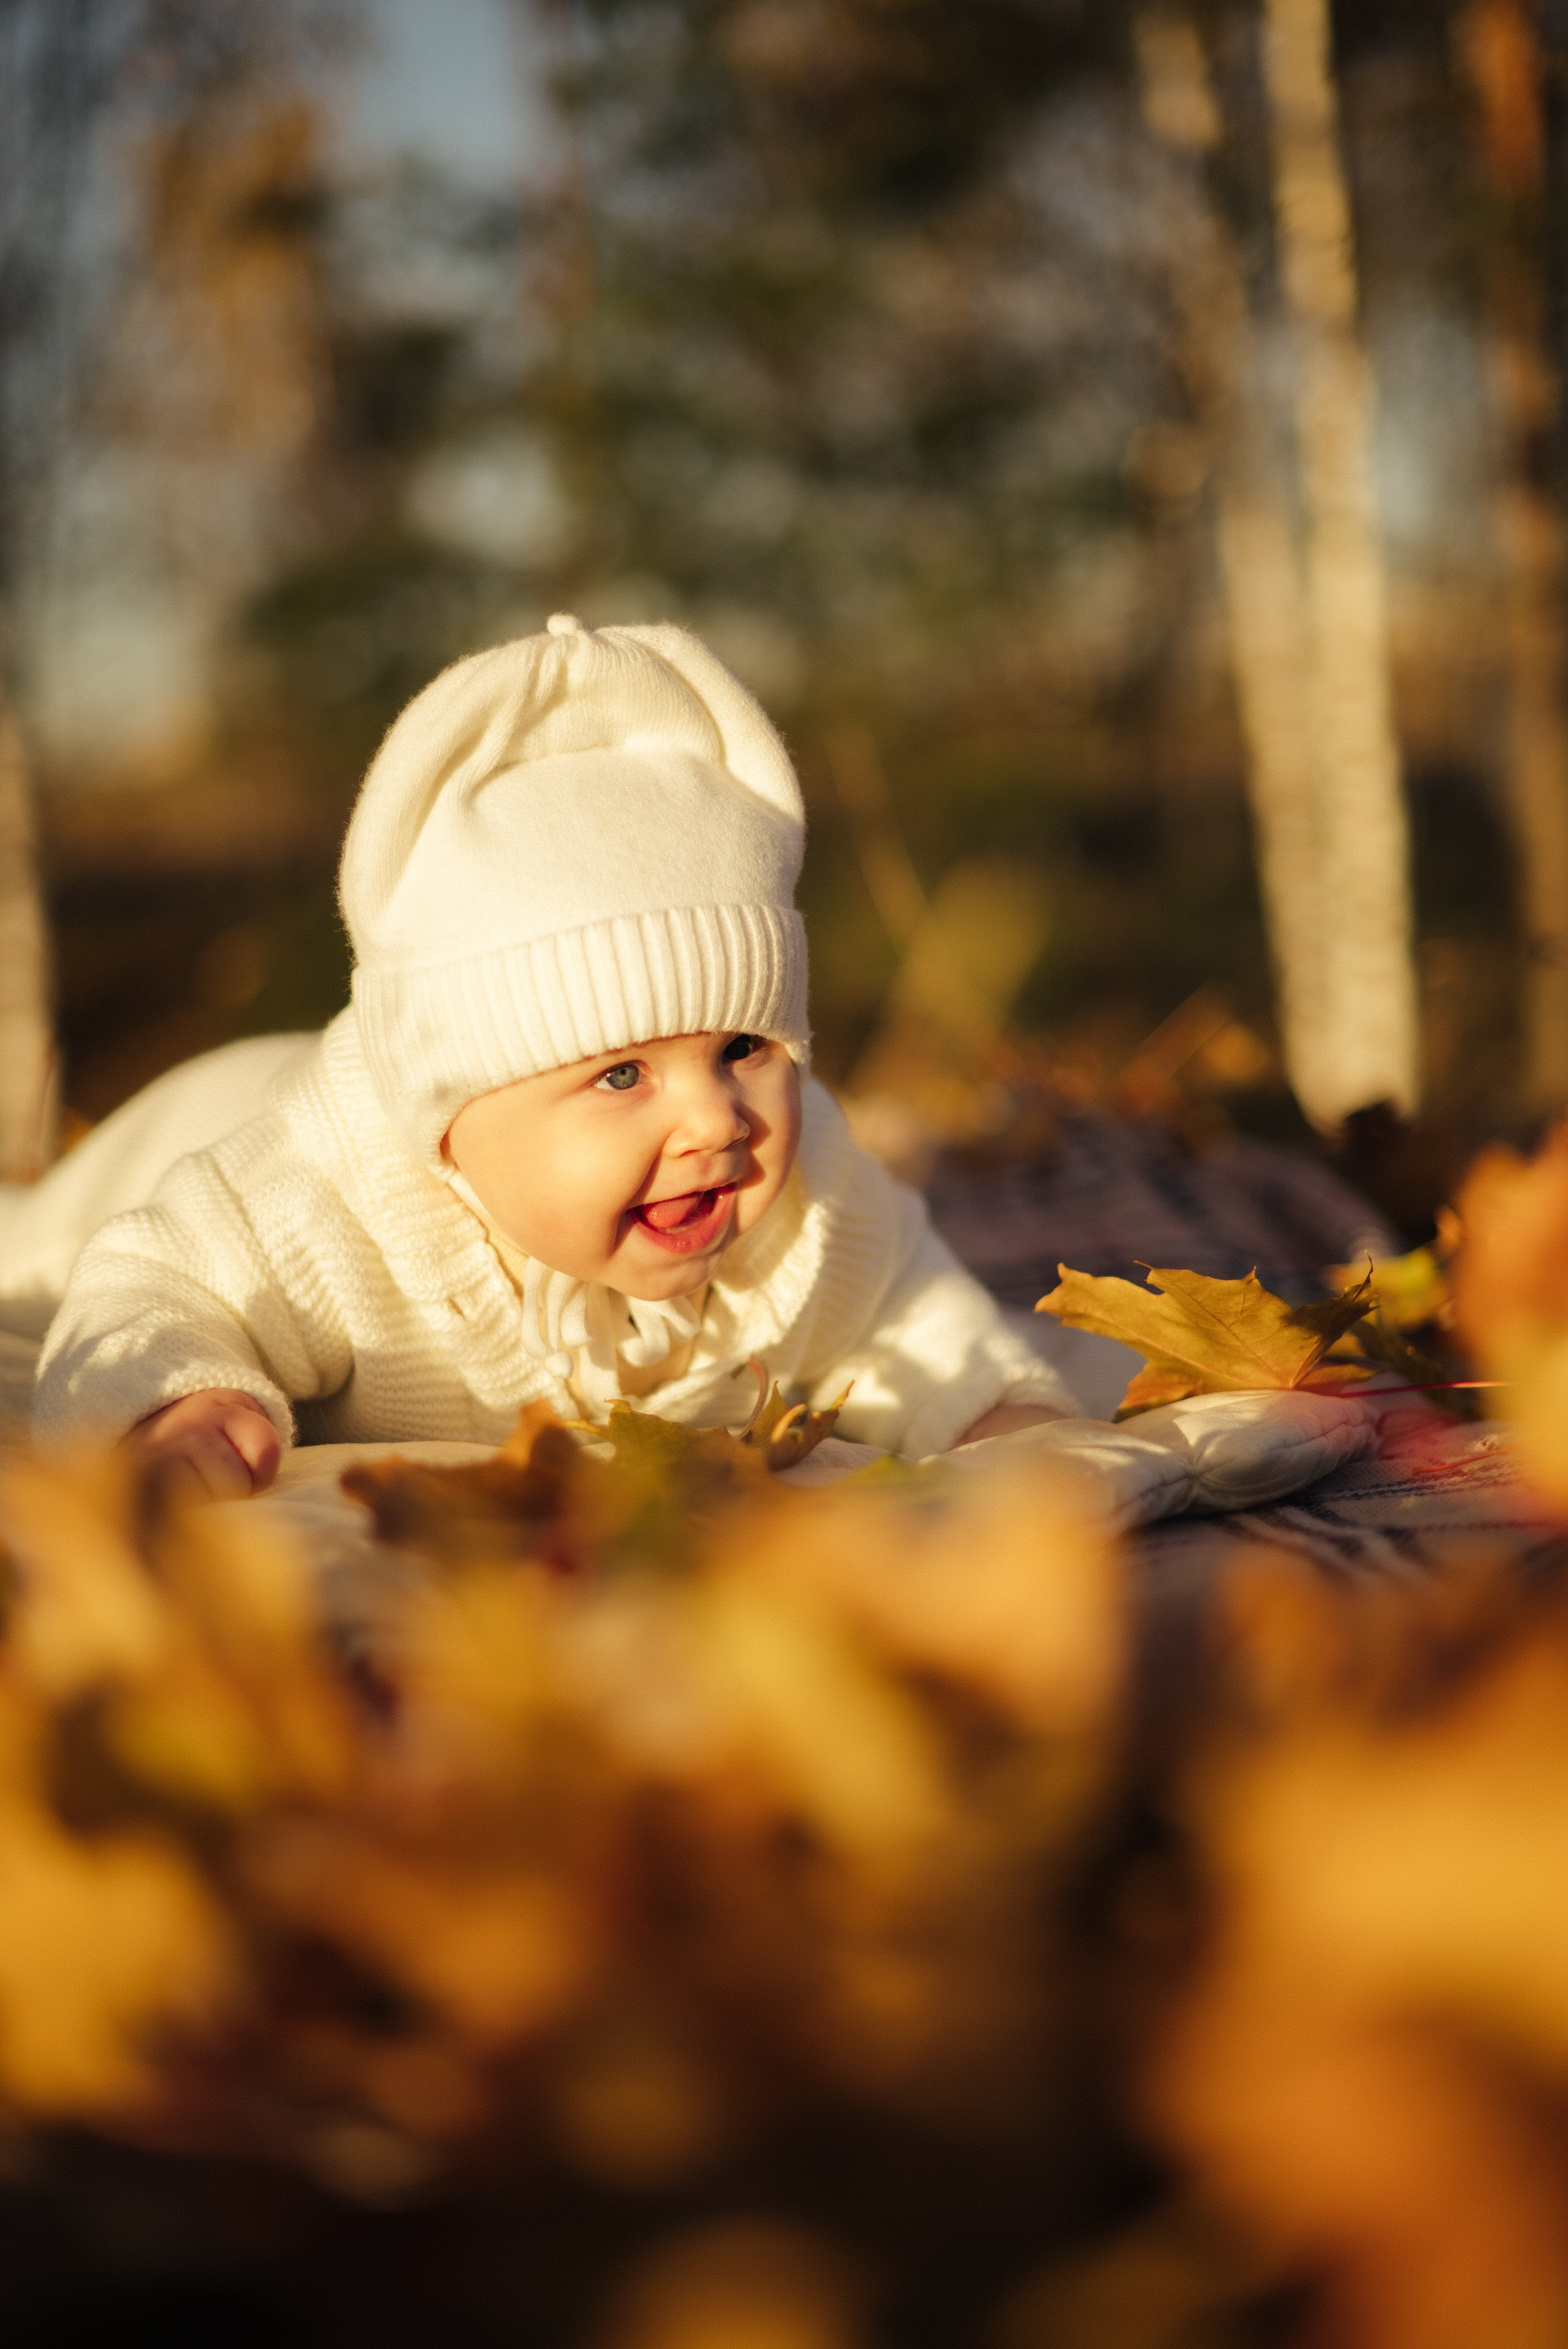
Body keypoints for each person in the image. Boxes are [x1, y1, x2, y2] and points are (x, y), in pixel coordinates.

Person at [24, 616, 1082, 1496]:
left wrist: (993, 1409)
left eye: (744, 1046)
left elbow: (913, 1307)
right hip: (206, 1110)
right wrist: (178, 1402)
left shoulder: (816, 1201)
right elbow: (156, 1282)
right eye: (622, 1073)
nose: (718, 1120)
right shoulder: (314, 1206)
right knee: (36, 1249)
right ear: (451, 1113)